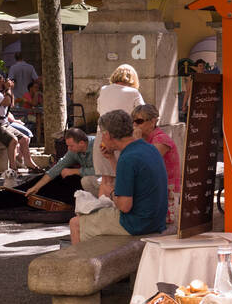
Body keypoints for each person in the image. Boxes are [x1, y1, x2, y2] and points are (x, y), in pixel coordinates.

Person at [68, 109, 168, 244]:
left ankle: (80, 264)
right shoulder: (148, 148)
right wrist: (111, 159)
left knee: (76, 223)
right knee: (93, 214)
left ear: (108, 135)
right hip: (156, 219)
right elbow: (128, 177)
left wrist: (111, 194)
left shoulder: (127, 158)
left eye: (102, 135)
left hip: (138, 223)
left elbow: (124, 206)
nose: (101, 139)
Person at [95, 64, 142, 193]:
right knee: (124, 178)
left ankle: (104, 211)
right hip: (122, 139)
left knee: (106, 180)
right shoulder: (133, 92)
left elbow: (99, 110)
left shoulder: (104, 89)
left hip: (102, 136)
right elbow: (142, 113)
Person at [0, 73, 40, 173]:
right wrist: (7, 89)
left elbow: (11, 103)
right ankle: (13, 168)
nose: (1, 85)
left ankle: (29, 163)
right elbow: (7, 102)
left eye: (2, 83)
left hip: (4, 123)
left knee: (24, 139)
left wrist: (9, 89)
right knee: (13, 140)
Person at [132, 104, 181, 219]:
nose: (134, 125)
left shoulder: (161, 139)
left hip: (166, 193)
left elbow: (146, 163)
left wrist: (137, 141)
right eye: (133, 121)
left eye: (139, 121)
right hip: (153, 190)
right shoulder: (146, 140)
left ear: (153, 121)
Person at [27, 127, 99, 198]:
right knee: (57, 177)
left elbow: (101, 171)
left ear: (82, 143)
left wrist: (76, 171)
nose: (69, 149)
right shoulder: (73, 150)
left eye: (71, 146)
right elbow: (57, 168)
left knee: (83, 180)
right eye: (67, 146)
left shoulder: (97, 146)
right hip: (88, 177)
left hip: (102, 180)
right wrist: (36, 187)